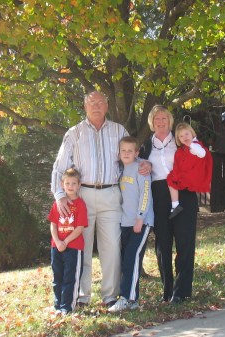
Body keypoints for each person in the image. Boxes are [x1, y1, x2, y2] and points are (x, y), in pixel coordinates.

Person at [51, 91, 151, 307]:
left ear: (107, 105)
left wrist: (145, 163)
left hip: (111, 195)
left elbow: (130, 153)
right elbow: (59, 167)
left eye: (100, 102)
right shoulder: (74, 133)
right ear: (85, 106)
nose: (96, 106)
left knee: (112, 248)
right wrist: (60, 196)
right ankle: (81, 296)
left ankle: (109, 296)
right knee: (81, 247)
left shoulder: (118, 130)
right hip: (82, 196)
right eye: (91, 102)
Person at [139, 105, 212, 304]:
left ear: (170, 121)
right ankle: (167, 290)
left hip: (184, 194)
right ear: (152, 123)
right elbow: (139, 168)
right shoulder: (146, 146)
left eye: (164, 118)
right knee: (163, 245)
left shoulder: (180, 141)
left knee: (185, 243)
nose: (160, 122)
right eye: (156, 119)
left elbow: (199, 156)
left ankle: (181, 291)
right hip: (159, 196)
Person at [108, 136, 154, 312]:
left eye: (130, 151)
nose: (126, 154)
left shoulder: (141, 169)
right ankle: (130, 299)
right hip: (124, 222)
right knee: (126, 260)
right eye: (123, 151)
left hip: (140, 222)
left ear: (137, 153)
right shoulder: (119, 169)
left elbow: (145, 193)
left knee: (132, 259)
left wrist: (140, 217)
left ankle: (128, 298)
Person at [47, 168, 88, 315]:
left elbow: (80, 227)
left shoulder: (80, 204)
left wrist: (66, 241)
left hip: (73, 247)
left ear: (79, 185)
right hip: (56, 246)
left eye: (73, 183)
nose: (70, 186)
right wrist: (58, 241)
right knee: (57, 277)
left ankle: (67, 307)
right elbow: (53, 224)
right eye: (67, 183)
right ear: (62, 184)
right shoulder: (58, 204)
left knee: (70, 277)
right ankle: (58, 305)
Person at [167, 122, 212, 219]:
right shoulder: (182, 150)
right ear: (178, 139)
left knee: (171, 178)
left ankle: (175, 204)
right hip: (188, 176)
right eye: (181, 136)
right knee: (171, 179)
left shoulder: (196, 145)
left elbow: (202, 153)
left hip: (192, 176)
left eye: (187, 134)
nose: (185, 137)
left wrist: (191, 145)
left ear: (192, 133)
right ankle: (175, 205)